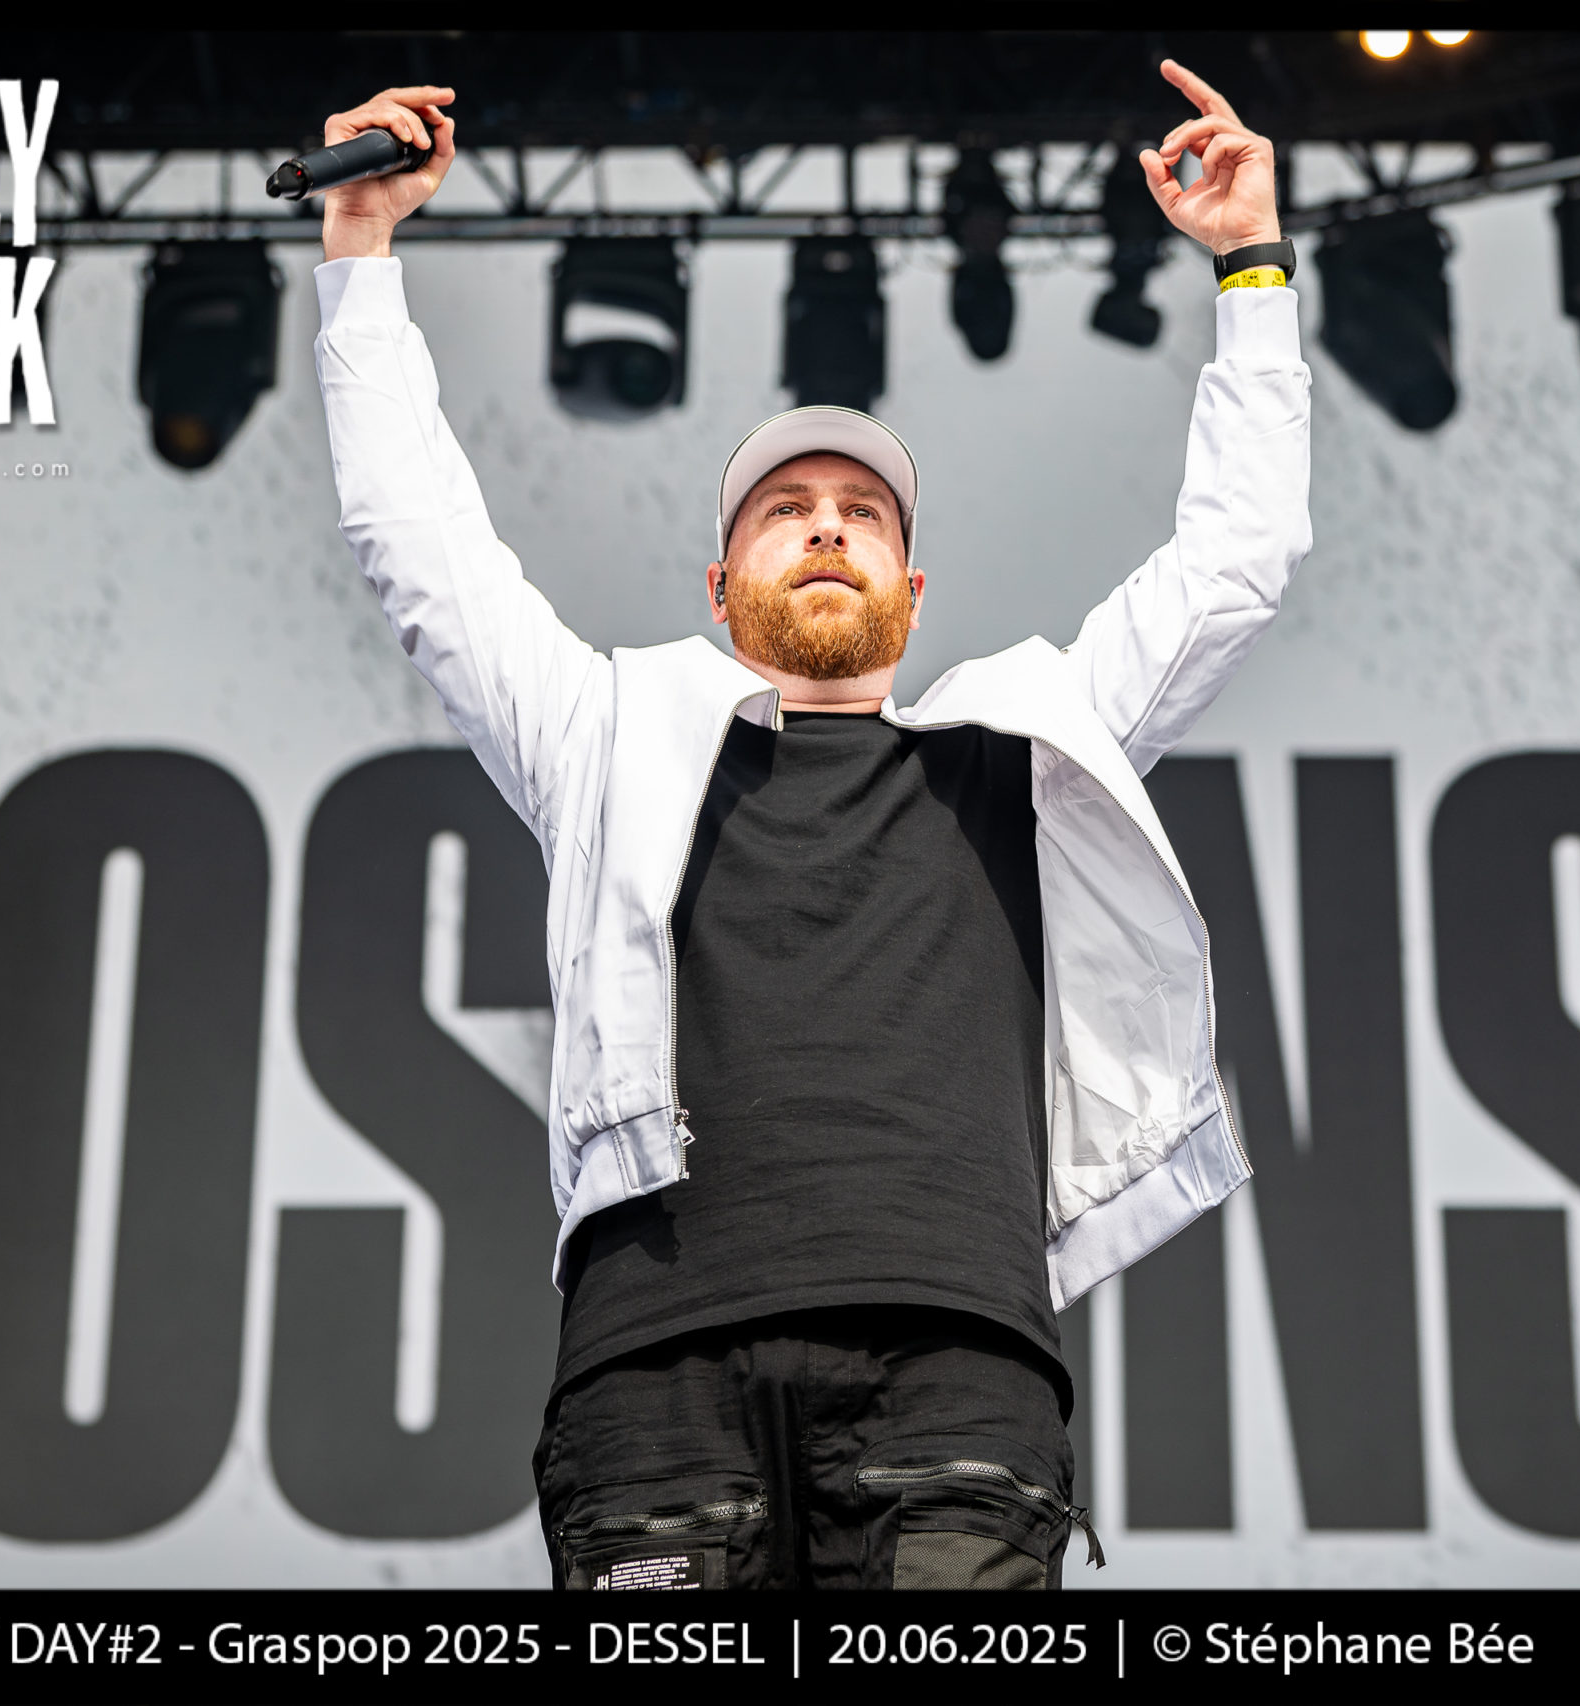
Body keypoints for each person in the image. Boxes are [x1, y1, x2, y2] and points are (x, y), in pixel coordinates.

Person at [311, 57, 1311, 1590]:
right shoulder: (607, 736)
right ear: (724, 590)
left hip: (954, 1372)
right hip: (655, 1383)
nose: (830, 522)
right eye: (787, 510)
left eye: (865, 513)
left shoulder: (1018, 752)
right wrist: (361, 253)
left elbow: (1238, 558)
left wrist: (1251, 267)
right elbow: (420, 547)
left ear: (913, 590)